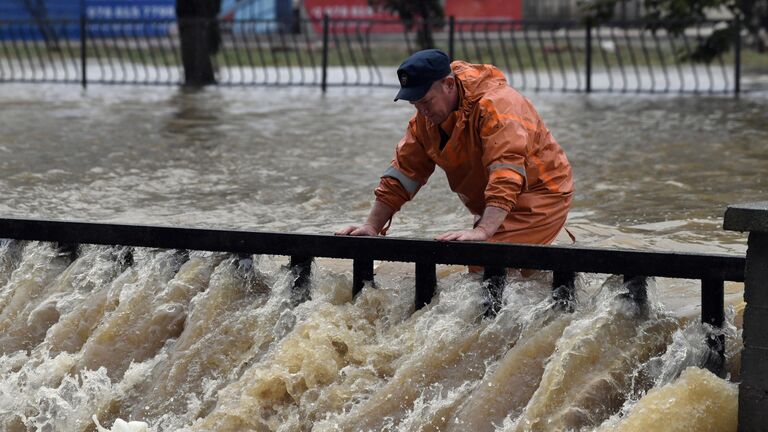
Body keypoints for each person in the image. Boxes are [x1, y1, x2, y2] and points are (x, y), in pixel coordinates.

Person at [336, 48, 573, 260]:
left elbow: (506, 172)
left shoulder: (499, 106)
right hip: (496, 203)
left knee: (483, 264)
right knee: (487, 265)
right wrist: (371, 226)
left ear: (449, 84)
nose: (422, 111)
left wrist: (483, 230)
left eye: (426, 101)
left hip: (542, 195)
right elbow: (403, 173)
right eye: (415, 104)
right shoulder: (426, 120)